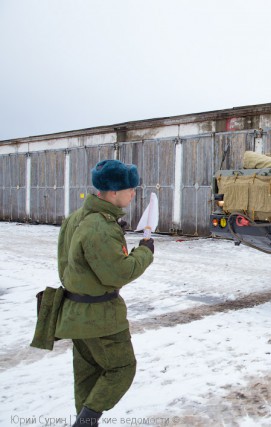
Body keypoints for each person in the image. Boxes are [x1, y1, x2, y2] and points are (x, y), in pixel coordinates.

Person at [55, 159, 155, 427]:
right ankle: (85, 422)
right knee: (122, 368)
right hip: (100, 317)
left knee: (88, 374)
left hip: (75, 314)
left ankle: (85, 422)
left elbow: (65, 266)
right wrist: (145, 251)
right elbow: (118, 274)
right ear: (112, 192)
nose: (133, 193)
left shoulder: (75, 219)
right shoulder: (100, 226)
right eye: (130, 188)